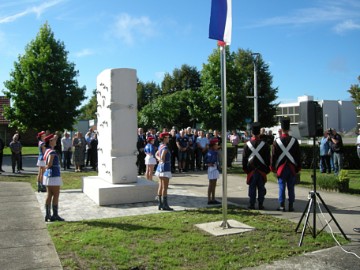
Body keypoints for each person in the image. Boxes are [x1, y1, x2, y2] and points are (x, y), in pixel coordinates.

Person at [271, 117, 301, 212]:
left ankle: (281, 206)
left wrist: (272, 167)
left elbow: (273, 156)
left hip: (281, 168)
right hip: (291, 167)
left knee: (281, 187)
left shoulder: (277, 142)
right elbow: (298, 156)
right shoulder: (294, 141)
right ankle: (291, 206)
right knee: (291, 187)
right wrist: (298, 167)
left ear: (281, 129)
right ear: (289, 129)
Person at [242, 122, 270, 210]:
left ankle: (252, 204)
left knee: (252, 188)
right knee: (261, 188)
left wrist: (246, 170)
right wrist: (266, 170)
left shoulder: (247, 145)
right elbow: (268, 159)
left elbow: (244, 159)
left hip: (251, 170)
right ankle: (261, 204)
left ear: (252, 132)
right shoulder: (265, 145)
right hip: (262, 170)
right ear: (259, 132)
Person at [43, 134, 65, 222]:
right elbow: (50, 163)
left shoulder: (47, 150)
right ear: (50, 142)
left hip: (49, 175)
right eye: (53, 140)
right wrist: (48, 166)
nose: (55, 140)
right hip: (54, 175)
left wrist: (47, 167)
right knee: (56, 195)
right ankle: (54, 215)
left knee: (49, 195)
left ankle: (48, 215)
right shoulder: (51, 152)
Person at [155, 132, 173, 211]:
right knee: (165, 187)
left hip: (160, 168)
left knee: (160, 186)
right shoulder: (165, 147)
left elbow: (156, 154)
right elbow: (161, 157)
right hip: (165, 168)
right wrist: (161, 160)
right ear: (164, 138)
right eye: (167, 137)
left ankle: (160, 204)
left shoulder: (160, 146)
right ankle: (165, 205)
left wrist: (159, 160)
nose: (168, 139)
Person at [205, 138, 221, 204]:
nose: (217, 146)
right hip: (212, 168)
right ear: (213, 146)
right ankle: (209, 199)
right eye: (216, 144)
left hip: (214, 168)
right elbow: (206, 160)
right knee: (211, 184)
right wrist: (208, 164)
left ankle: (213, 198)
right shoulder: (211, 152)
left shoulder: (213, 151)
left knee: (214, 184)